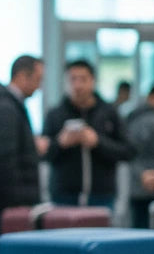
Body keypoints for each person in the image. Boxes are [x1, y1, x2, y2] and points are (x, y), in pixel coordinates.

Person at [42, 59, 135, 210]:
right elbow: (43, 153)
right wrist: (60, 143)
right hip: (63, 197)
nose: (78, 85)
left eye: (83, 79)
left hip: (101, 196)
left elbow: (129, 151)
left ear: (93, 80)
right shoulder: (55, 114)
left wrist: (98, 142)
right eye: (73, 79)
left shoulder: (109, 113)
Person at [0, 54, 46, 238]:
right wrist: (18, 203)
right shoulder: (5, 109)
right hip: (1, 208)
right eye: (37, 80)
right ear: (22, 76)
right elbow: (4, 160)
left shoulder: (8, 105)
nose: (39, 87)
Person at [124, 82, 154, 228]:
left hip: (147, 185)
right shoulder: (149, 120)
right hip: (149, 186)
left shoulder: (134, 116)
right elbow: (131, 152)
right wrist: (147, 175)